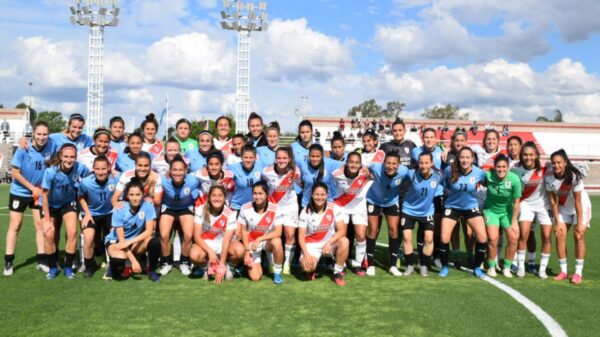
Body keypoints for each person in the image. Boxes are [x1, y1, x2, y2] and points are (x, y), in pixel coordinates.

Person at [3, 121, 56, 276]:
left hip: (38, 193)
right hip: (20, 192)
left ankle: (41, 260)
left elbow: (53, 162)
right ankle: (8, 261)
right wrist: (33, 188)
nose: (42, 137)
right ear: (33, 133)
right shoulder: (23, 148)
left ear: (48, 135)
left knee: (40, 225)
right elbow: (15, 173)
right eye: (39, 134)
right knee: (15, 225)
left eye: (45, 134)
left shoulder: (52, 146)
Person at [41, 143, 90, 279]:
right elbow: (44, 195)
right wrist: (46, 220)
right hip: (50, 204)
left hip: (68, 203)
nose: (69, 160)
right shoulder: (51, 171)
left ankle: (68, 267)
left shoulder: (79, 168)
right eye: (66, 156)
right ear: (61, 157)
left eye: (72, 157)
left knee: (72, 232)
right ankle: (52, 267)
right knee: (49, 233)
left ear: (76, 157)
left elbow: (92, 176)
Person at [438, 147, 487, 278]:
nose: (464, 160)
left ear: (472, 159)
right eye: (462, 157)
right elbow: (443, 184)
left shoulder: (479, 173)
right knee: (444, 237)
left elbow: (488, 184)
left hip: (471, 207)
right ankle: (444, 266)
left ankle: (477, 267)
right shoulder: (450, 170)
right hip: (452, 206)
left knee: (482, 237)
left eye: (467, 157)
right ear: (458, 159)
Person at [545, 149, 592, 284]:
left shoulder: (574, 176)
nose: (556, 166)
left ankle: (578, 273)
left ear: (565, 163)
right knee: (559, 235)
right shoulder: (548, 177)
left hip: (581, 205)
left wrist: (580, 223)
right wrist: (557, 222)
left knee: (578, 235)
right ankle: (564, 271)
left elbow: (578, 201)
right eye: (553, 163)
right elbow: (553, 202)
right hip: (563, 207)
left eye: (559, 162)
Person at [104, 178, 162, 282]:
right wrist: (134, 261)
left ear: (143, 194)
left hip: (133, 241)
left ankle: (152, 271)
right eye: (132, 195)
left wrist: (130, 242)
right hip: (116, 241)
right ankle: (112, 267)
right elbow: (122, 242)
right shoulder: (119, 209)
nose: (135, 198)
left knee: (155, 242)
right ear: (127, 195)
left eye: (138, 194)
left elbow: (149, 231)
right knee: (119, 259)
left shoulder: (148, 207)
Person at [511, 142, 553, 278]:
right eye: (525, 155)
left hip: (543, 206)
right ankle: (521, 267)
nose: (528, 157)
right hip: (526, 205)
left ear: (536, 155)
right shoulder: (515, 169)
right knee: (524, 234)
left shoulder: (547, 168)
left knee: (546, 236)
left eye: (531, 155)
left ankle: (541, 269)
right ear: (521, 156)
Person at [365, 151, 408, 276]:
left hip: (391, 202)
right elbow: (365, 166)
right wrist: (366, 170)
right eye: (388, 163)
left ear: (399, 165)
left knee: (394, 230)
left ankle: (393, 265)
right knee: (372, 230)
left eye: (394, 163)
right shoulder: (376, 167)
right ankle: (371, 264)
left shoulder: (404, 171)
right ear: (383, 163)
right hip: (373, 200)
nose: (390, 166)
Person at [190, 185, 244, 284]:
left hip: (222, 243)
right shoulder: (200, 209)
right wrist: (210, 252)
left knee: (240, 250)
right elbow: (197, 236)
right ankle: (206, 267)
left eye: (220, 195)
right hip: (206, 243)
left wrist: (221, 266)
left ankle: (229, 267)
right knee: (194, 255)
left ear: (224, 198)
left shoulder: (230, 213)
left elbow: (226, 241)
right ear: (209, 197)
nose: (217, 198)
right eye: (214, 195)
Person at [298, 183, 349, 286]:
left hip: (329, 244)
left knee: (345, 241)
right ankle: (313, 268)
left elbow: (342, 230)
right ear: (312, 195)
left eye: (322, 194)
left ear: (326, 195)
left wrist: (329, 242)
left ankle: (337, 272)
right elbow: (300, 236)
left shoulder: (334, 208)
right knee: (307, 268)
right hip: (311, 246)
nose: (319, 197)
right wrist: (307, 255)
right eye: (316, 194)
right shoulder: (305, 212)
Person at [401, 152, 443, 277]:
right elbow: (397, 171)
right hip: (409, 210)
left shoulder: (438, 176)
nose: (423, 166)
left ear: (432, 163)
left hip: (427, 211)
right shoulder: (412, 174)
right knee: (407, 238)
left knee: (429, 239)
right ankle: (409, 266)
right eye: (421, 163)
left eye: (426, 163)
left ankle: (424, 265)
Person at [158, 155, 200, 277]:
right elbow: (150, 176)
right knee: (165, 235)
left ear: (186, 170)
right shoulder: (163, 179)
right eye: (174, 170)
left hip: (185, 207)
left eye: (181, 170)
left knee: (188, 235)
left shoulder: (192, 180)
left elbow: (203, 181)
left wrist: (195, 195)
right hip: (169, 207)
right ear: (170, 171)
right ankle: (166, 263)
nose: (178, 173)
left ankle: (184, 262)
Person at [262, 147, 302, 275]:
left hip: (290, 206)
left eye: (284, 158)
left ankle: (287, 264)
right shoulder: (266, 172)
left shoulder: (295, 171)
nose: (281, 160)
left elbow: (301, 184)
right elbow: (263, 187)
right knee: (272, 235)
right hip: (273, 206)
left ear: (289, 159)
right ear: (275, 158)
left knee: (290, 235)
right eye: (279, 158)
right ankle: (271, 263)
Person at [332, 152, 372, 276]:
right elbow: (328, 184)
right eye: (351, 162)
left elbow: (376, 176)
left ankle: (358, 264)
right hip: (341, 207)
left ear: (360, 164)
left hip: (359, 206)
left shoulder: (365, 175)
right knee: (342, 236)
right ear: (347, 163)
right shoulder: (336, 174)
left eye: (357, 162)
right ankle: (341, 263)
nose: (354, 165)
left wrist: (369, 173)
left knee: (360, 235)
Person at [78, 155, 118, 277]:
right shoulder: (85, 182)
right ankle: (90, 265)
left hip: (109, 213)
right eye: (98, 169)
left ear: (109, 168)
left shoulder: (115, 180)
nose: (100, 172)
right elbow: (80, 197)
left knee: (114, 237)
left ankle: (113, 264)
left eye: (103, 169)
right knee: (88, 238)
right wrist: (87, 213)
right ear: (93, 169)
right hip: (92, 214)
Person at [483, 155, 522, 278]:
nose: (501, 169)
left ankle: (507, 267)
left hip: (507, 213)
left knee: (514, 238)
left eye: (504, 167)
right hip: (491, 211)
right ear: (494, 167)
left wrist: (514, 221)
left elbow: (517, 202)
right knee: (493, 239)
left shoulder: (514, 179)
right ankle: (491, 266)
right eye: (498, 167)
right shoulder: (488, 175)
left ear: (508, 167)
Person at [239, 181, 284, 284]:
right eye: (255, 193)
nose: (257, 196)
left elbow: (278, 232)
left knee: (277, 242)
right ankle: (248, 263)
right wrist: (246, 251)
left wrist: (259, 239)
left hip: (266, 242)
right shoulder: (245, 208)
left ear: (267, 194)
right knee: (255, 277)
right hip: (251, 244)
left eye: (260, 193)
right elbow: (244, 231)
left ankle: (277, 273)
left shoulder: (275, 208)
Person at [229, 144, 264, 214]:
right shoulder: (233, 168)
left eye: (251, 157)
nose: (248, 160)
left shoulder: (261, 166)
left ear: (255, 158)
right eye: (245, 157)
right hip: (237, 207)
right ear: (241, 157)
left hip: (255, 207)